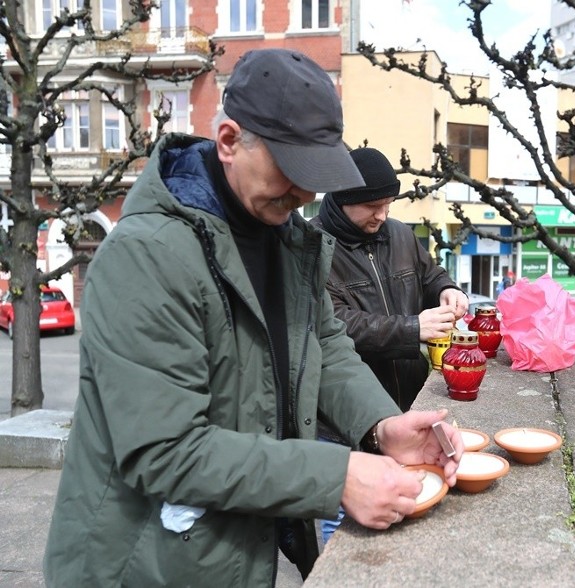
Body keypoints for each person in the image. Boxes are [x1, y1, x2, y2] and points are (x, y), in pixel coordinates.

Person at [42, 49, 462, 587]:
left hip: (229, 545)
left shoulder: (286, 237)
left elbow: (325, 345)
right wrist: (335, 476)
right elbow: (165, 451)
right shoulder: (146, 256)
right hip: (140, 562)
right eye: (291, 170)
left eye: (317, 174)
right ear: (229, 141)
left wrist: (381, 426)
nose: (306, 193)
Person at [310, 147, 468, 413]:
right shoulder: (313, 246)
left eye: (388, 204)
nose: (382, 215)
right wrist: (412, 328)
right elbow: (335, 323)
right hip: (353, 404)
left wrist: (447, 289)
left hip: (414, 393)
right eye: (372, 206)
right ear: (342, 200)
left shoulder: (400, 234)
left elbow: (430, 275)